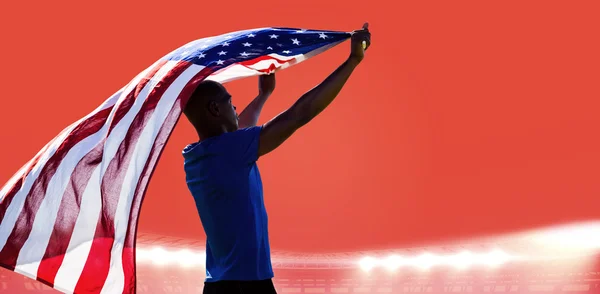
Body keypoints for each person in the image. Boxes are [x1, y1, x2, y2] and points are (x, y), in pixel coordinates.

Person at [182, 23, 372, 294]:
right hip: (245, 284)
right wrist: (352, 61)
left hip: (221, 283)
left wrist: (263, 95)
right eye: (228, 101)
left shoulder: (198, 157)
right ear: (214, 109)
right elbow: (299, 114)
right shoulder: (231, 150)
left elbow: (241, 128)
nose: (234, 107)